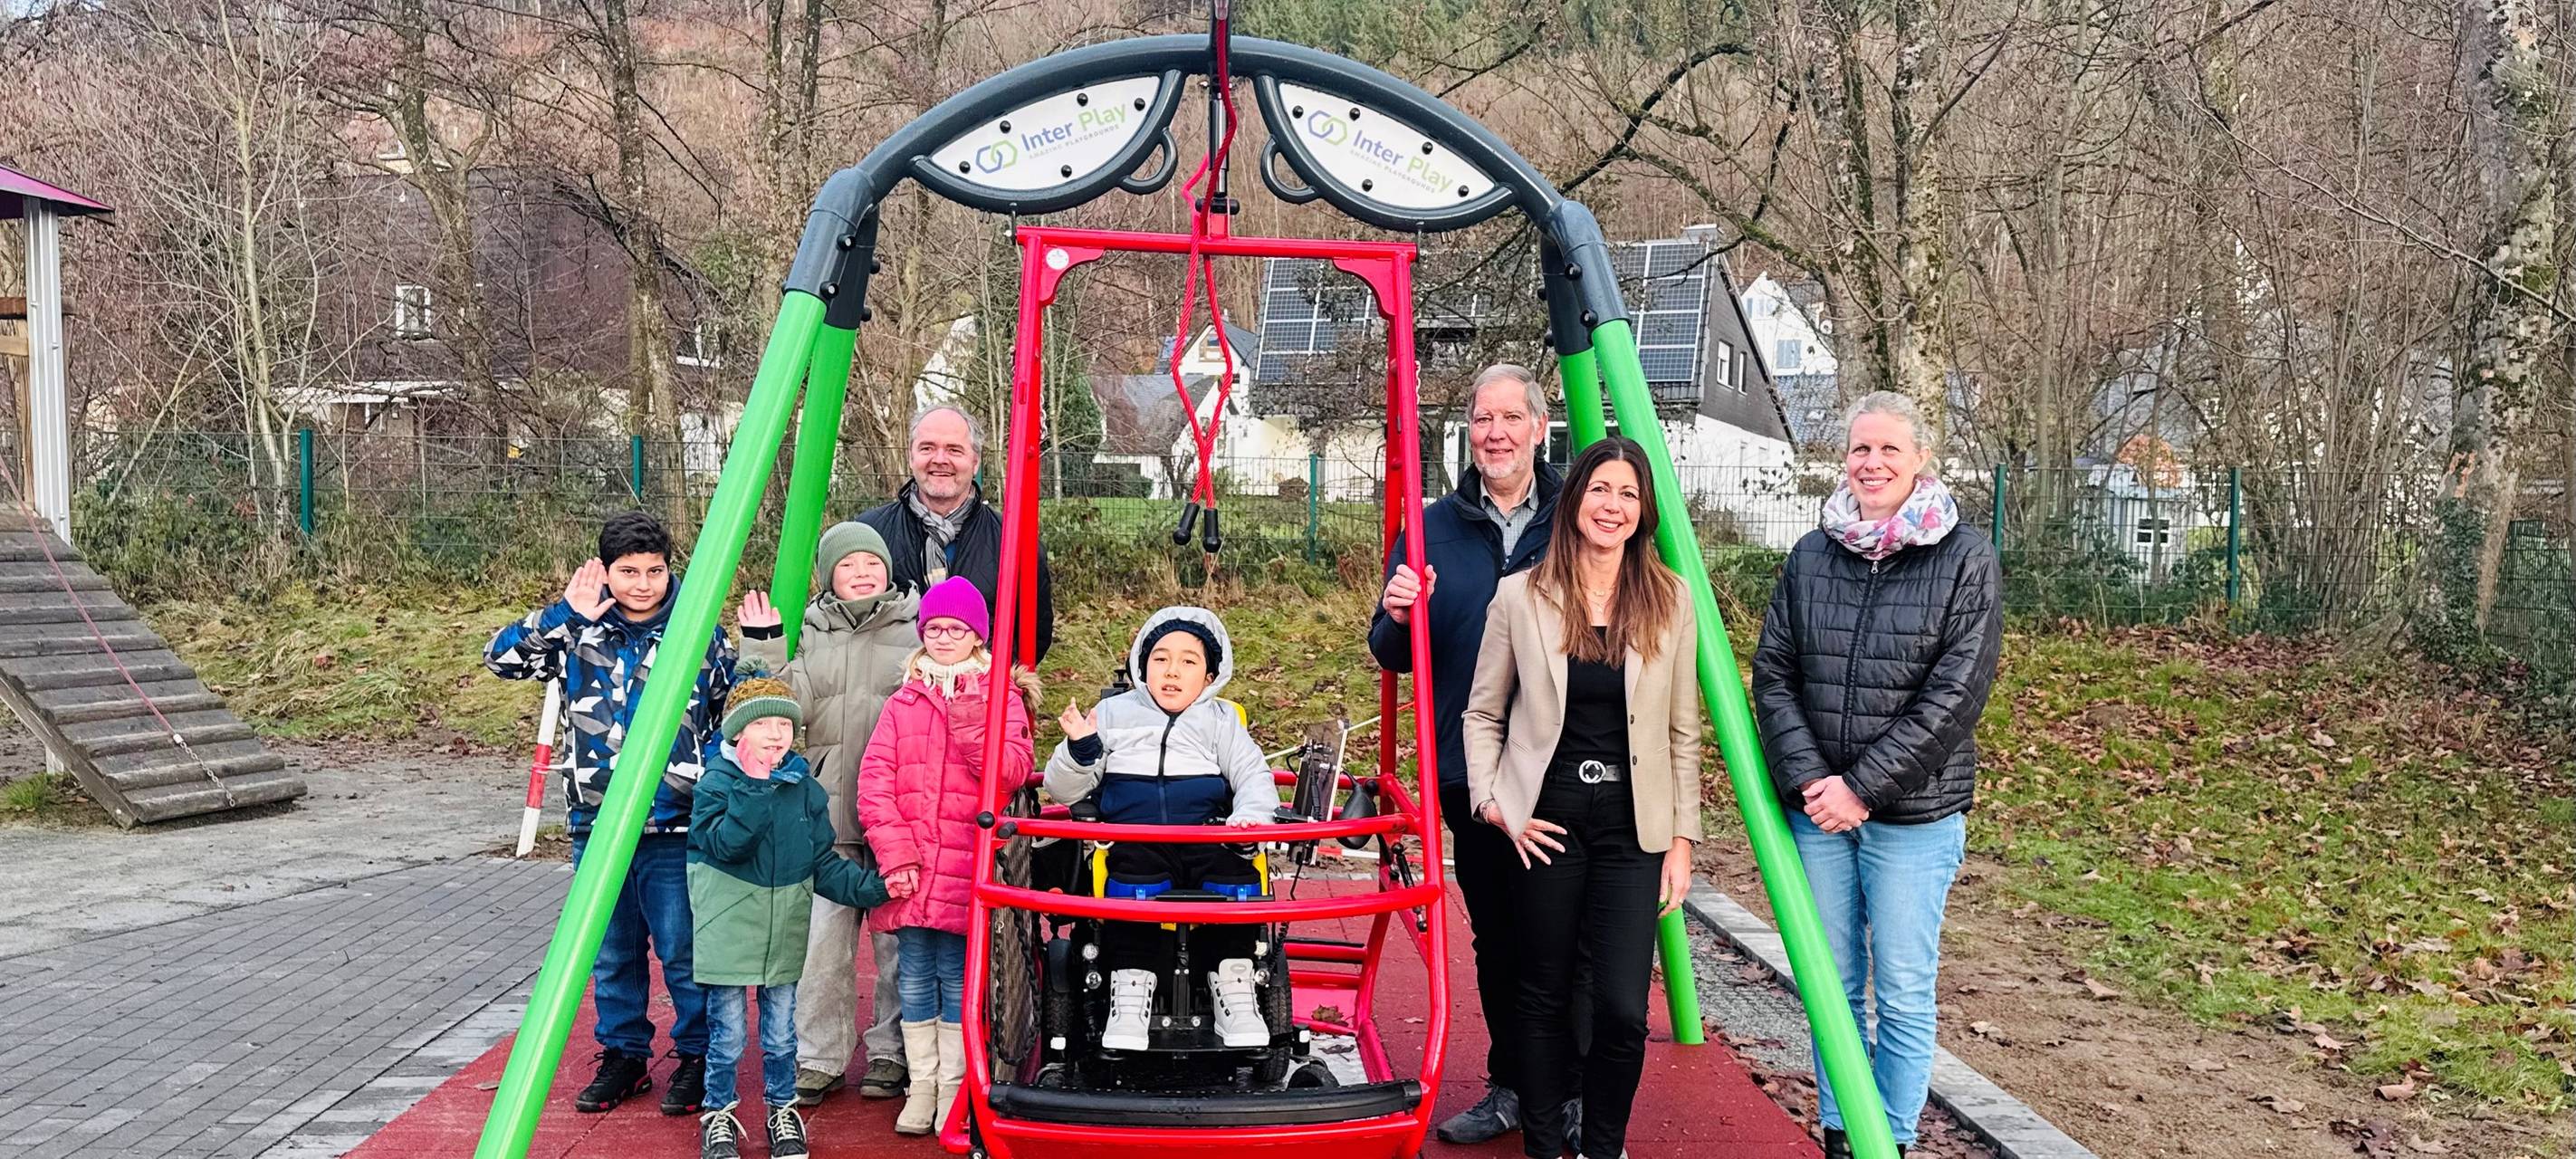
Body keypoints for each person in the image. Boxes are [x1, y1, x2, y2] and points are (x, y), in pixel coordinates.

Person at [1751, 392, 2003, 1159]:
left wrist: (1861, 788)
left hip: (1914, 817)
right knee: (1829, 986)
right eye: (1860, 449)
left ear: (1920, 458)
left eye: (1889, 450)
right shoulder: (1811, 554)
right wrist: (1812, 784)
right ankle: (1841, 1131)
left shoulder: (1964, 558)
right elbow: (1773, 675)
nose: (1872, 463)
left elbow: (1956, 692)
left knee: (1898, 991)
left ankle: (1885, 1141)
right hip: (1818, 813)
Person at [1462, 436, 1704, 1159]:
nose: (1613, 506)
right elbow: (1482, 713)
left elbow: (1682, 730)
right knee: (1539, 993)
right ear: (1573, 502)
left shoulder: (1670, 598)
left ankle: (1601, 1147)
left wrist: (1683, 841)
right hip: (1546, 820)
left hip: (1634, 828)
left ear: (1643, 510)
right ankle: (1541, 1144)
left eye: (1628, 495)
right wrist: (1491, 803)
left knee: (1623, 1010)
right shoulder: (1521, 595)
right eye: (1601, 489)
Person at [1366, 364, 1575, 1145]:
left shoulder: (1575, 516)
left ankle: (1568, 1086)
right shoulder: (1431, 528)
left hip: (1563, 763)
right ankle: (1512, 1084)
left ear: (1538, 428)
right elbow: (1390, 651)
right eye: (1482, 419)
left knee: (1565, 937)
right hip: (1472, 766)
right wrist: (1395, 613)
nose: (1494, 433)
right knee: (1499, 937)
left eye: (1509, 418)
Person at [484, 511, 734, 1116]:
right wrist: (565, 614)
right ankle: (624, 1053)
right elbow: (500, 659)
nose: (642, 583)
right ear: (606, 572)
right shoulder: (579, 632)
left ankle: (698, 1055)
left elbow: (736, 699)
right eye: (628, 571)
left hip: (674, 821)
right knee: (612, 949)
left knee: (681, 947)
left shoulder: (698, 631)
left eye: (653, 570)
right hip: (596, 822)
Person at [736, 521, 921, 1106]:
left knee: (898, 950)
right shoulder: (810, 634)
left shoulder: (917, 630)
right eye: (847, 565)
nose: (862, 571)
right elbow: (782, 709)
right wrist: (765, 648)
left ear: (888, 570)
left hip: (896, 822)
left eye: (871, 561)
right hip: (826, 818)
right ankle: (818, 1057)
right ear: (827, 576)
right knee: (821, 949)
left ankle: (891, 1053)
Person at [1044, 607, 1279, 1053]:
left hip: (1207, 836)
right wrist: (1080, 748)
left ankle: (1233, 985)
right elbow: (1061, 789)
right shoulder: (1112, 715)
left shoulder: (1222, 721)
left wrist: (1250, 819)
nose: (1172, 671)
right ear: (1142, 666)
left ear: (1210, 677)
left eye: (1188, 662)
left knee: (1237, 875)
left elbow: (1253, 776)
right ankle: (1130, 989)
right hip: (1135, 837)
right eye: (1160, 659)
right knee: (1134, 874)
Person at [857, 577, 1039, 1135]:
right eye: (934, 629)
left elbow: (1011, 771)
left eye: (956, 630)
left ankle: (958, 1084)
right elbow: (875, 782)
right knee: (912, 976)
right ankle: (923, 1084)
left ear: (976, 638)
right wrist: (895, 853)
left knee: (959, 977)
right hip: (913, 866)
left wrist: (967, 717)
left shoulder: (1000, 699)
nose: (943, 638)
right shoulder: (903, 702)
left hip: (967, 863)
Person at [686, 672, 889, 1159]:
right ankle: (718, 1114)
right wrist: (754, 790)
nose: (777, 734)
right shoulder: (717, 783)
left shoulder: (803, 787)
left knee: (780, 1035)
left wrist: (878, 888)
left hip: (782, 930)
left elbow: (821, 864)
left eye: (784, 723)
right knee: (729, 1035)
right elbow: (726, 845)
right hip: (730, 929)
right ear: (738, 733)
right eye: (764, 725)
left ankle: (782, 1109)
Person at [857, 404, 1056, 665]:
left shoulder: (1015, 542)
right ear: (910, 457)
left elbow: (1032, 639)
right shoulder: (869, 536)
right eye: (927, 448)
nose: (940, 459)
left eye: (954, 450)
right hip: (890, 701)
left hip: (982, 702)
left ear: (975, 462)